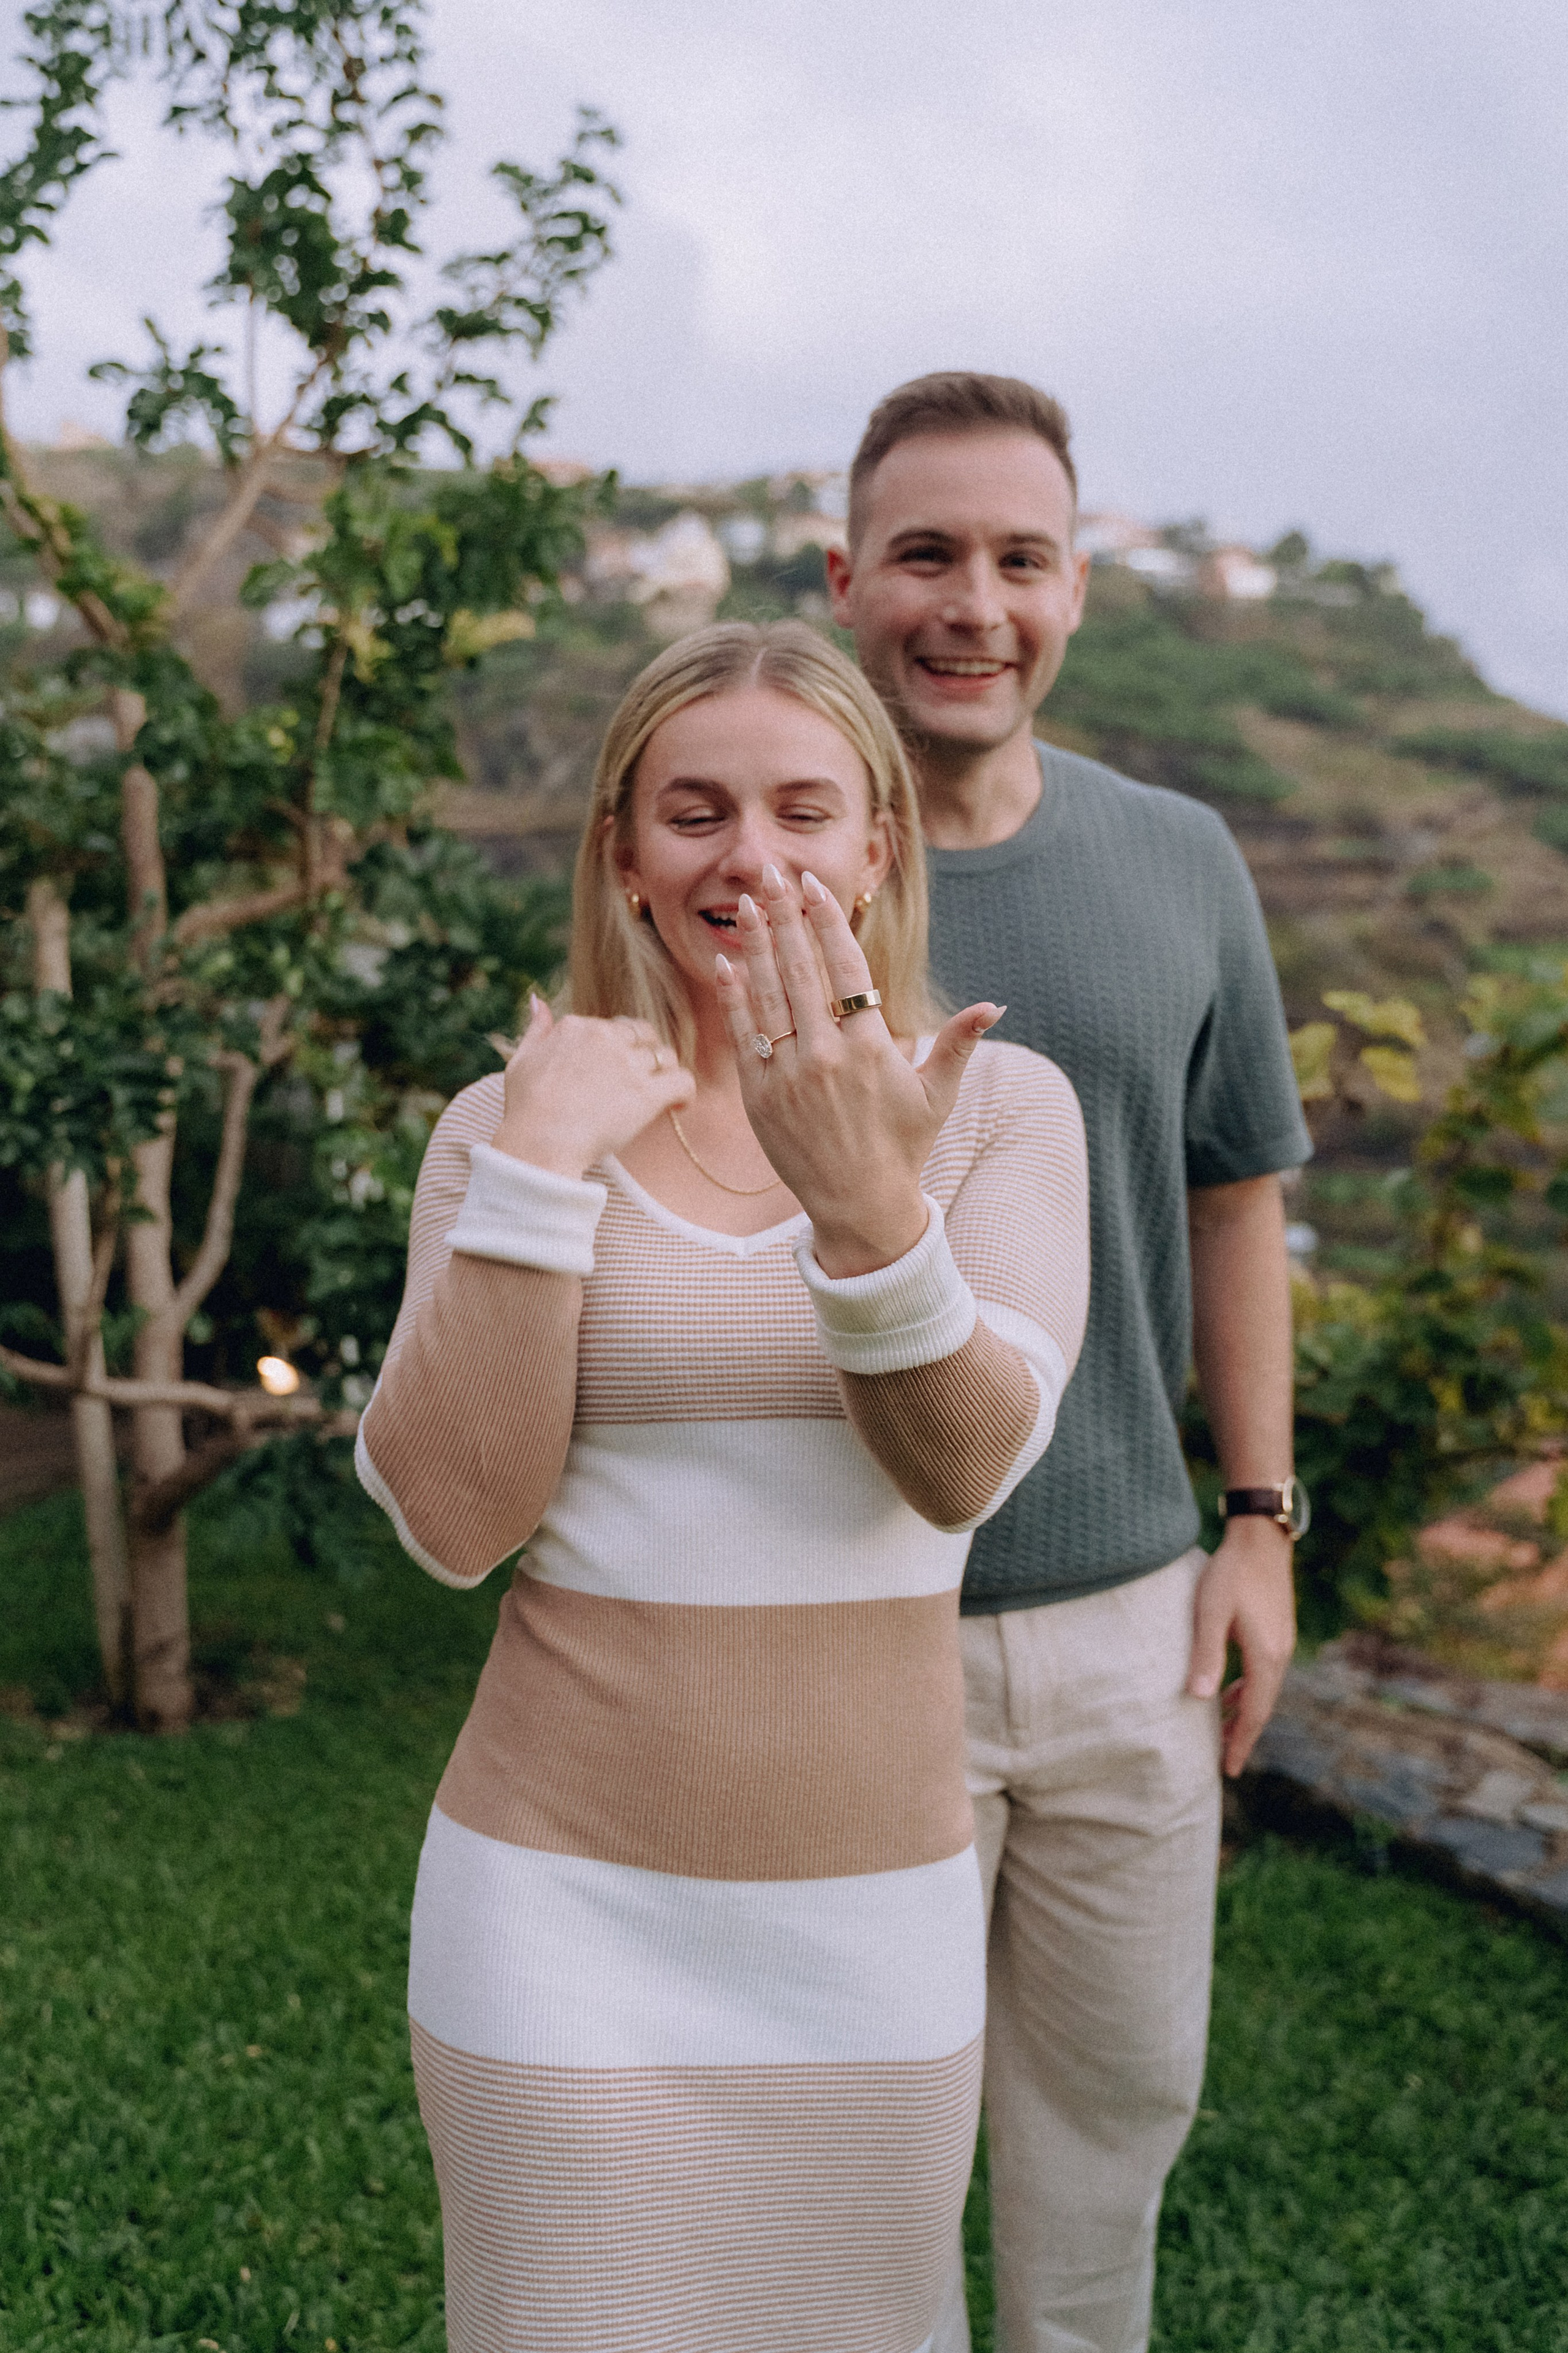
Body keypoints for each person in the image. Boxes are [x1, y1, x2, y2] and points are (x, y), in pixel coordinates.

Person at [355, 619, 1090, 2353]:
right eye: (693, 811)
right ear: (623, 848)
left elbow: (962, 1463)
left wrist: (868, 1208)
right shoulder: (505, 1120)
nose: (748, 857)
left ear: (879, 841)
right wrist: (540, 1172)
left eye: (802, 810)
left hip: (867, 1927)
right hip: (555, 1910)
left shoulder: (998, 1115)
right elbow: (456, 1522)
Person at [826, 374, 1313, 2353]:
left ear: (1078, 587)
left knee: (1109, 2133)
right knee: (872, 2148)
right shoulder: (775, 860)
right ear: (847, 575)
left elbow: (1233, 1202)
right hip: (854, 1625)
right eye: (927, 553)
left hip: (1133, 1628)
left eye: (1018, 558)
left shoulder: (1182, 855)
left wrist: (1263, 1521)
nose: (973, 602)